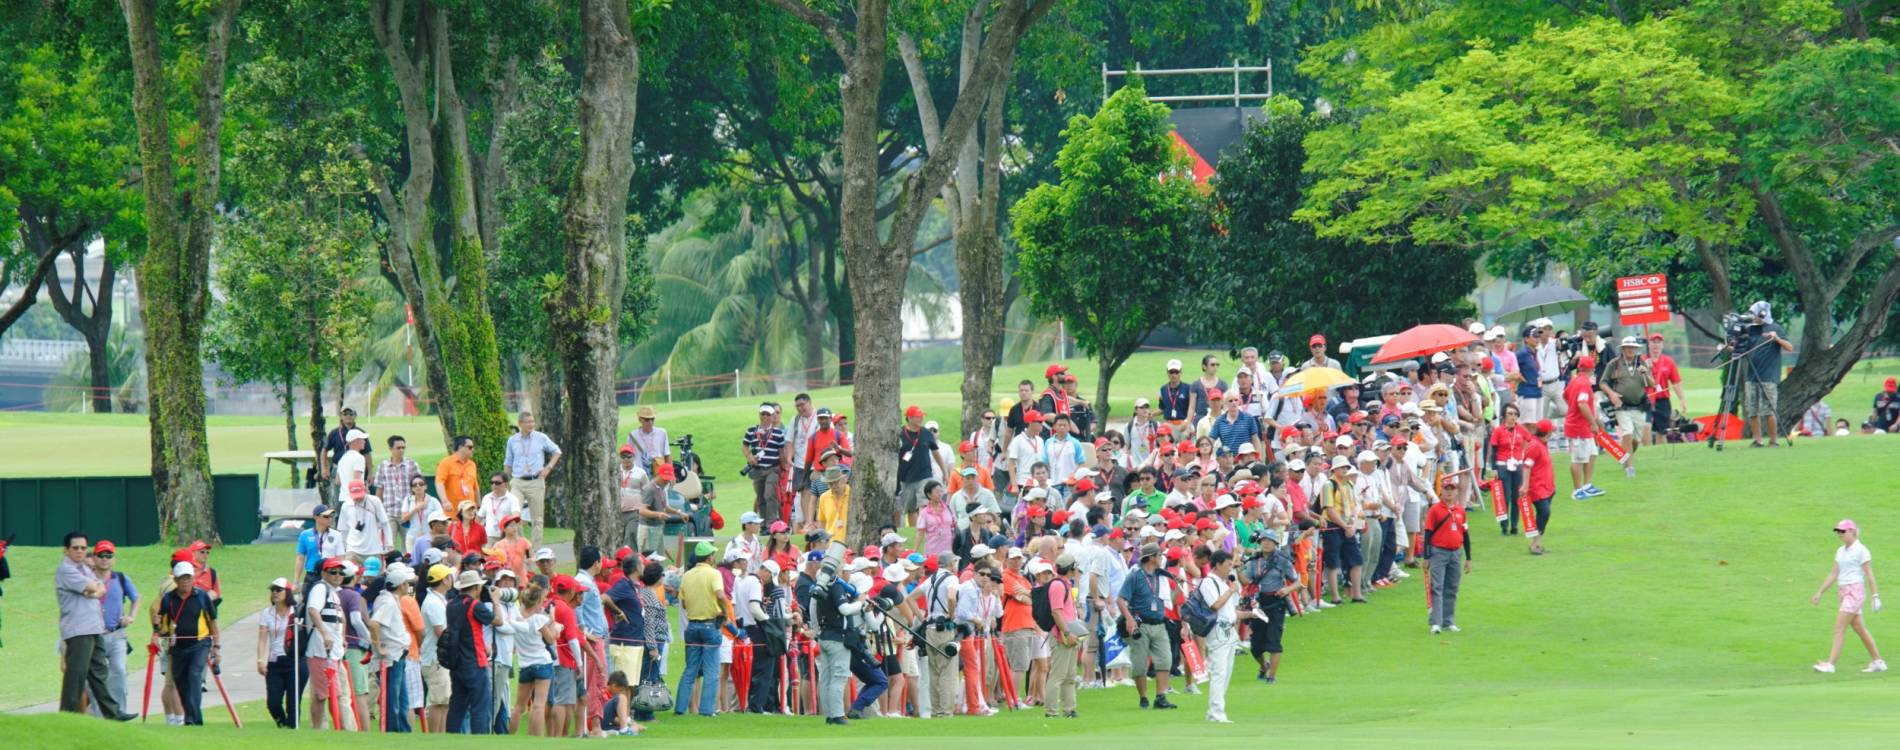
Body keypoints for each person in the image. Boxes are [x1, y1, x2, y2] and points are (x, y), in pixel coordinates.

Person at [56, 531, 129, 719]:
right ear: (66, 550)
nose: (80, 551)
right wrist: (93, 589)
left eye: (83, 548)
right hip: (78, 629)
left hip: (94, 628)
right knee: (77, 674)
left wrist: (94, 590)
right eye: (75, 548)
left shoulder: (85, 569)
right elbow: (91, 587)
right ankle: (67, 715)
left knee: (99, 672)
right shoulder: (66, 569)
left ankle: (112, 712)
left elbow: (100, 587)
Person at [1812, 520, 1886, 673]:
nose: (1840, 534)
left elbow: (1869, 574)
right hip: (1843, 591)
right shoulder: (1840, 551)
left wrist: (1875, 595)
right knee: (1859, 627)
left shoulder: (1861, 550)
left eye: (1843, 531)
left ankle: (1830, 664)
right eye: (1838, 532)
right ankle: (1878, 661)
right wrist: (1820, 592)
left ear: (1852, 531)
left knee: (1839, 627)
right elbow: (1834, 573)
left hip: (1855, 592)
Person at [157, 560, 219, 726]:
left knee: (194, 676)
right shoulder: (168, 599)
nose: (186, 581)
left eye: (188, 578)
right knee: (182, 684)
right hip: (177, 647)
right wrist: (159, 630)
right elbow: (161, 624)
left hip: (200, 644)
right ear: (175, 580)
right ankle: (191, 717)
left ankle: (193, 720)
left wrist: (216, 647)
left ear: (193, 579)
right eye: (182, 578)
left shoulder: (202, 596)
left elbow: (212, 622)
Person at [1117, 543, 1176, 710]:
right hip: (1141, 624)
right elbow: (1121, 600)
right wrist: (1129, 619)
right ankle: (1143, 697)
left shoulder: (1160, 576)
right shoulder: (1135, 576)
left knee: (1165, 660)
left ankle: (1161, 696)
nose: (1161, 558)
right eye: (1159, 555)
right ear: (1150, 558)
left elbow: (1168, 598)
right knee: (1139, 664)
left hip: (1159, 623)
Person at [443, 570, 500, 733]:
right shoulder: (476, 606)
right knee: (480, 707)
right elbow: (499, 621)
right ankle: (479, 741)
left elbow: (467, 630)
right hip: (475, 662)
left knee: (457, 706)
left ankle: (451, 739)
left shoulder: (451, 605)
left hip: (457, 663)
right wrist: (496, 602)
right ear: (476, 587)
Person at [676, 541, 728, 716]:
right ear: (709, 557)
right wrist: (725, 612)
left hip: (692, 626)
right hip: (709, 625)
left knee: (690, 670)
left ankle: (680, 708)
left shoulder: (687, 575)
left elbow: (683, 603)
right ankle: (707, 710)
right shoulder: (714, 574)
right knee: (712, 670)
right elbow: (720, 594)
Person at [1244, 530, 1299, 683]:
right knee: (1256, 646)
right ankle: (1263, 666)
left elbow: (1297, 581)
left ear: (1276, 543)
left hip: (1276, 603)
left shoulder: (1283, 560)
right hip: (1258, 605)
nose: (1265, 543)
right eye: (1263, 541)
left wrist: (1287, 589)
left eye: (1269, 541)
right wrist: (1236, 568)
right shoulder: (1254, 561)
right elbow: (1246, 582)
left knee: (1274, 642)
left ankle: (1271, 676)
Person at [89, 540, 137, 715]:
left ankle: (119, 712)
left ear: (113, 559)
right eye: (101, 555)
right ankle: (97, 715)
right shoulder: (87, 578)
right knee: (96, 677)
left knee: (119, 670)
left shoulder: (121, 578)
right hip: (94, 635)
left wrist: (130, 616)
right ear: (94, 558)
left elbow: (136, 598)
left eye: (108, 555)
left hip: (116, 633)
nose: (104, 559)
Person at [368, 563, 417, 732]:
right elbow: (374, 624)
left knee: (402, 700)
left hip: (398, 656)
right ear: (401, 585)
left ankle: (403, 732)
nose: (409, 586)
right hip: (392, 657)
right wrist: (378, 648)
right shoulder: (388, 602)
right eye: (407, 583)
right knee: (393, 699)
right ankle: (392, 731)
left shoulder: (391, 600)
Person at [504, 412, 562, 545]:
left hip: (536, 481)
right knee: (514, 515)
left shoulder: (541, 437)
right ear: (520, 424)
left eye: (532, 421)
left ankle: (536, 550)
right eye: (527, 422)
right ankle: (521, 546)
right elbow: (508, 462)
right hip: (517, 482)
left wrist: (548, 468)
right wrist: (505, 483)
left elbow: (557, 451)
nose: (531, 424)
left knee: (537, 519)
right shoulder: (512, 440)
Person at [305, 558, 349, 729]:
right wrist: (324, 633)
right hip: (320, 650)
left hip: (333, 651)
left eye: (340, 572)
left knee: (333, 693)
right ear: (323, 573)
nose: (338, 575)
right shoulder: (320, 588)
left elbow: (341, 618)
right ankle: (319, 729)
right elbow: (313, 610)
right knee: (321, 694)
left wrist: (342, 638)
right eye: (333, 572)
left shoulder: (334, 593)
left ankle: (336, 729)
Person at [1600, 337, 1653, 477]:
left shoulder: (1642, 362)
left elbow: (1652, 384)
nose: (1631, 349)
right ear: (1623, 349)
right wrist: (1612, 394)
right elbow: (1603, 383)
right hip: (1622, 407)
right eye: (1628, 347)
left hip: (1640, 406)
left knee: (1636, 440)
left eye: (1633, 347)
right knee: (1627, 435)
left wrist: (1646, 374)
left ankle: (1625, 456)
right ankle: (1629, 468)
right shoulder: (1614, 364)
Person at [1424, 485, 1473, 634]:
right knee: (1437, 587)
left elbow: (1465, 535)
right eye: (1446, 489)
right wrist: (1426, 557)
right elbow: (1427, 533)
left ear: (1457, 491)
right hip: (1438, 552)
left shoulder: (1461, 511)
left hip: (1456, 553)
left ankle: (1448, 622)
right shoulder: (1435, 510)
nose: (1449, 492)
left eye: (1452, 489)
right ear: (1441, 492)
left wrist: (1469, 557)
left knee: (1452, 588)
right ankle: (1436, 623)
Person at [1198, 550, 1240, 723]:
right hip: (1217, 630)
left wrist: (1249, 614)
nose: (1230, 569)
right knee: (1219, 672)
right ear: (1217, 565)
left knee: (1227, 672)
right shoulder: (1208, 582)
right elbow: (1215, 605)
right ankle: (1216, 712)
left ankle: (1215, 710)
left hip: (1230, 629)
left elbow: (1230, 611)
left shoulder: (1223, 583)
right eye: (1228, 565)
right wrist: (1231, 591)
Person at [1042, 554, 1083, 718]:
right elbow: (1056, 611)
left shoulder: (1065, 584)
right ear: (1070, 568)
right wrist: (1067, 633)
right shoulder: (1058, 586)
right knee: (1058, 675)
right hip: (1063, 635)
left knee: (1070, 675)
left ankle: (1069, 709)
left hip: (1070, 633)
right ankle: (1051, 711)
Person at [897, 405, 951, 529]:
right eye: (917, 416)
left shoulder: (926, 433)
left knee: (924, 503)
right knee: (910, 509)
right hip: (906, 477)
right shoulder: (900, 433)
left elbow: (936, 453)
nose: (921, 419)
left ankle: (924, 528)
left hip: (925, 475)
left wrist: (945, 472)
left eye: (921, 416)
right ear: (909, 418)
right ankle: (915, 530)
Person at [258, 578, 300, 728]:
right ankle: (282, 724)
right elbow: (262, 639)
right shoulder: (266, 613)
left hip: (293, 660)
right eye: (273, 590)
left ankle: (292, 728)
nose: (275, 593)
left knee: (293, 701)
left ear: (287, 592)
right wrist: (260, 660)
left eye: (278, 590)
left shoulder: (297, 612)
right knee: (273, 703)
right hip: (274, 661)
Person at [1564, 355, 1606, 500]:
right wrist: (1593, 423)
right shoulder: (1583, 383)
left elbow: (1565, 395)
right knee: (1578, 458)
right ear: (1592, 369)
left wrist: (1572, 408)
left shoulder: (1575, 380)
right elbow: (1582, 403)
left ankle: (1587, 486)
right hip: (1578, 427)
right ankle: (1577, 490)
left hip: (1581, 425)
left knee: (1592, 454)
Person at [419, 564, 453, 731]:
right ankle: (434, 737)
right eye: (449, 576)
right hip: (435, 659)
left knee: (444, 701)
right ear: (444, 580)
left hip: (439, 659)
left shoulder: (438, 599)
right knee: (437, 701)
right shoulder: (433, 602)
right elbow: (442, 632)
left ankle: (441, 738)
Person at [744, 403, 788, 524]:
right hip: (757, 469)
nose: (765, 417)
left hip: (772, 469)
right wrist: (749, 456)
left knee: (769, 494)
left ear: (772, 416)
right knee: (760, 497)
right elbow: (745, 445)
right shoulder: (751, 430)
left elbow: (781, 451)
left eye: (768, 414)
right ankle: (763, 525)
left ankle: (772, 523)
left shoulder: (778, 433)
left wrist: (784, 467)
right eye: (763, 414)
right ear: (759, 414)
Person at [1523, 420, 1558, 555]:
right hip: (1537, 487)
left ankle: (1536, 543)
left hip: (1547, 487)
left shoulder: (1542, 443)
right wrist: (1525, 485)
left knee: (1543, 514)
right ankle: (1535, 543)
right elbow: (1527, 465)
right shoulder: (1535, 446)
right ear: (1548, 432)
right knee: (1544, 512)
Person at [1645, 334, 1686, 445]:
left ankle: (1659, 453)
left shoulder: (1668, 361)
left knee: (1662, 431)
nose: (1656, 345)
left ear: (1662, 345)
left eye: (1658, 342)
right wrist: (1646, 369)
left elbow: (1676, 382)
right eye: (1653, 342)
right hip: (1646, 399)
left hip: (1662, 400)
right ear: (1648, 344)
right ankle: (1648, 452)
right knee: (1646, 427)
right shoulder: (1642, 360)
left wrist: (1682, 399)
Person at [340, 480, 391, 558]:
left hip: (374, 549)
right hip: (352, 549)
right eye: (355, 496)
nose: (358, 499)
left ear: (365, 490)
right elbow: (344, 529)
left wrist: (389, 544)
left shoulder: (375, 501)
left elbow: (385, 523)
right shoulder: (346, 506)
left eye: (359, 495)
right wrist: (343, 549)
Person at [372, 435, 423, 510]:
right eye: (398, 448)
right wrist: (377, 509)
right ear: (390, 449)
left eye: (403, 448)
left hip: (409, 510)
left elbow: (419, 487)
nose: (401, 450)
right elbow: (379, 490)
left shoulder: (412, 464)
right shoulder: (383, 466)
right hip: (389, 511)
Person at [435, 436, 480, 514]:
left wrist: (479, 506)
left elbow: (475, 487)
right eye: (470, 447)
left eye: (473, 447)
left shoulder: (472, 464)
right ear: (460, 447)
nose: (473, 449)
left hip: (470, 512)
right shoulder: (445, 463)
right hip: (453, 511)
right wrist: (445, 502)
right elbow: (439, 483)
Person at [627, 405, 671, 470]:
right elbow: (629, 456)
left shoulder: (662, 433)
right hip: (640, 471)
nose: (650, 422)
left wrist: (671, 474)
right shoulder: (633, 435)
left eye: (652, 419)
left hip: (658, 470)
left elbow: (667, 454)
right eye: (647, 419)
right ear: (640, 419)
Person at [816, 464, 852, 542]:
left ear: (844, 479)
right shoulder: (824, 497)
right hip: (831, 543)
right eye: (830, 483)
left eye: (836, 482)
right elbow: (822, 523)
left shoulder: (853, 494)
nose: (833, 486)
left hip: (850, 542)